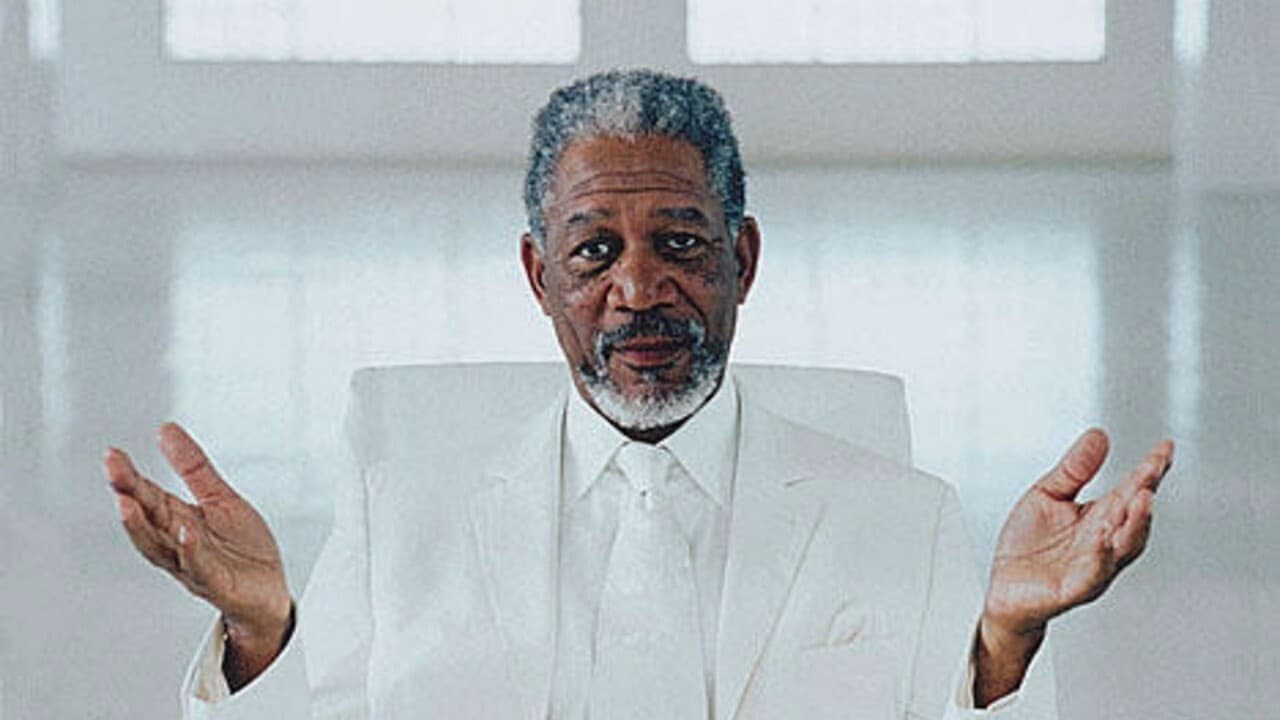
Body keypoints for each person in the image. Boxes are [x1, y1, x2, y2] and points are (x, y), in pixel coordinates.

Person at [104, 69, 1173, 719]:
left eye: (680, 244)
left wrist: (1004, 645)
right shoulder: (404, 519)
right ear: (538, 277)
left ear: (741, 261)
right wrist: (259, 634)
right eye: (593, 251)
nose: (639, 289)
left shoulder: (903, 516)